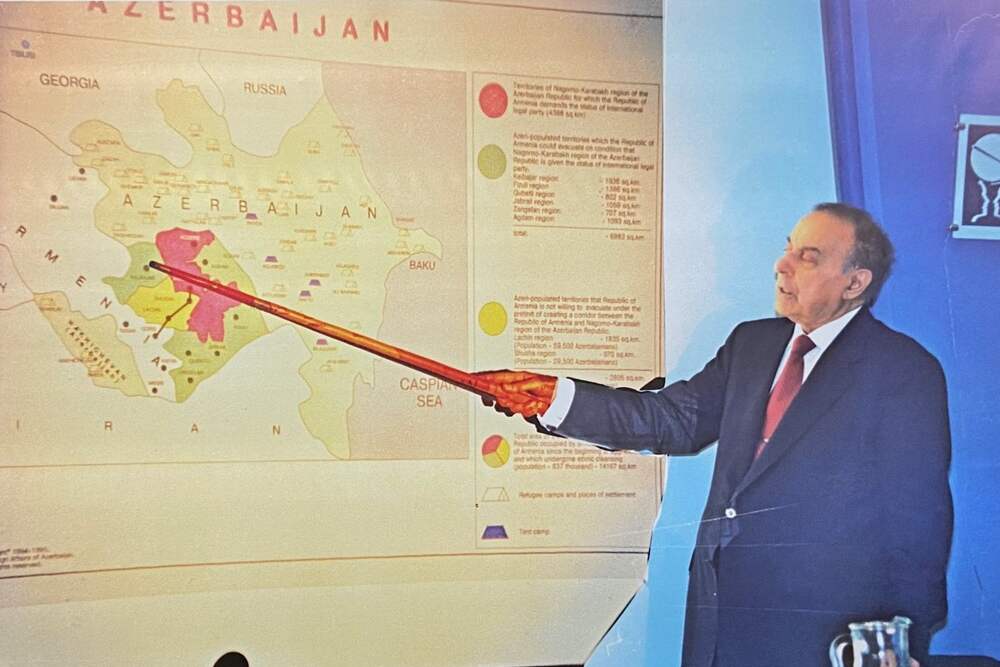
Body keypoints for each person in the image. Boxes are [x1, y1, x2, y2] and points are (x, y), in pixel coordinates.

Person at [477, 203, 953, 667]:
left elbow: (919, 520)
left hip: (823, 639)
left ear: (855, 282)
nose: (782, 265)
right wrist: (555, 397)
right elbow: (671, 419)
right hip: (720, 621)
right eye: (788, 248)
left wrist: (902, 640)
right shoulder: (752, 344)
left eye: (808, 257)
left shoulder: (903, 371)